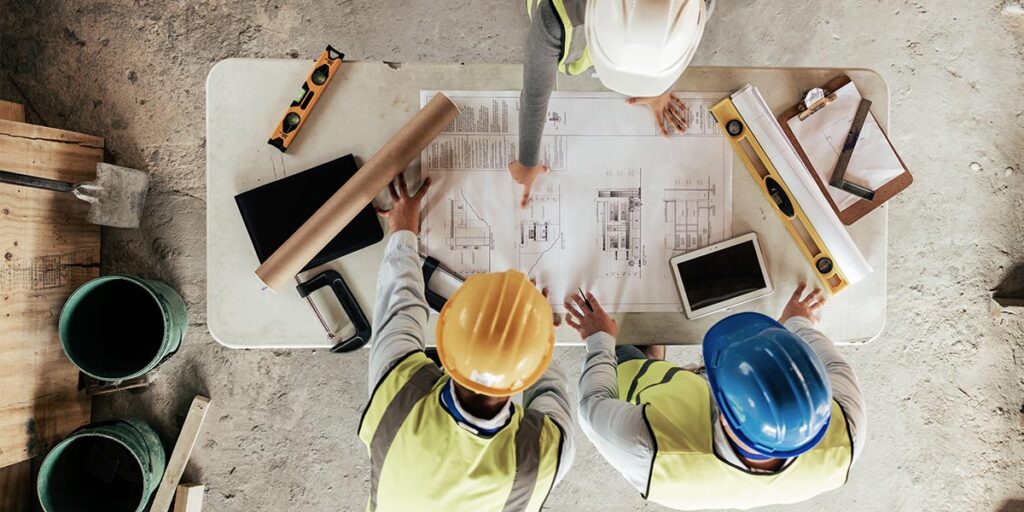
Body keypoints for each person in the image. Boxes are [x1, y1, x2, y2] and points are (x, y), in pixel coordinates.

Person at [359, 175, 575, 512]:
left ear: (446, 333)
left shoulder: (397, 394)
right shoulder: (541, 457)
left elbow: (400, 303)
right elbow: (548, 389)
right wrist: (533, 323)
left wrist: (403, 230)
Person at [565, 284, 866, 510]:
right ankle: (654, 358)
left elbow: (593, 404)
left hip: (659, 412)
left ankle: (647, 361)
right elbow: (836, 366)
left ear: (722, 409)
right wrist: (797, 323)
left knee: (627, 356)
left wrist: (599, 339)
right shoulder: (848, 431)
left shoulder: (648, 448)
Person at [510, 0, 715, 207]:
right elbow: (535, 94)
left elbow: (678, 46)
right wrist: (527, 161)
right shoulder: (554, 17)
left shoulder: (696, 8)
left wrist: (659, 90)